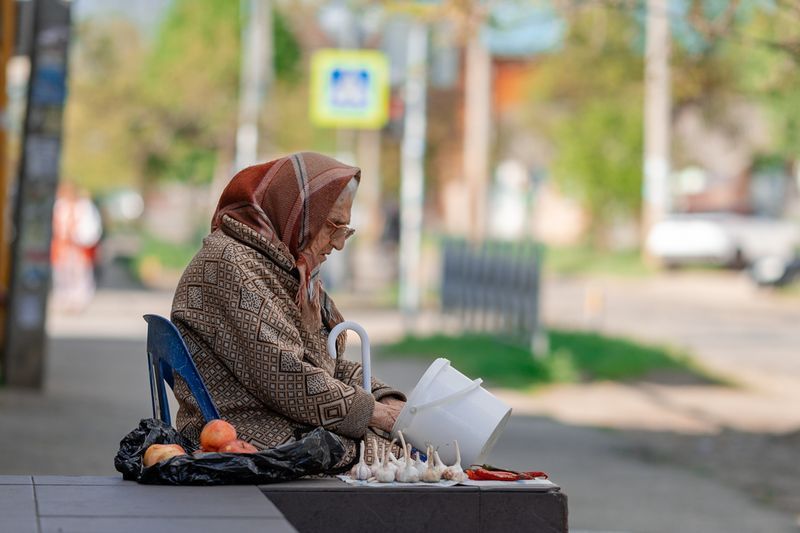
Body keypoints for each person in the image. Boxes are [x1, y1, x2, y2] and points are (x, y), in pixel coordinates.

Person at [171, 152, 406, 467]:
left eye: (345, 230)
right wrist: (375, 413)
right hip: (242, 432)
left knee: (409, 445)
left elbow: (325, 364)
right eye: (332, 226)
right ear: (296, 213)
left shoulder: (285, 265)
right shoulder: (231, 263)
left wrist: (383, 396)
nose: (338, 244)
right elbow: (286, 376)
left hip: (280, 417)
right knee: (404, 455)